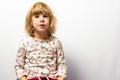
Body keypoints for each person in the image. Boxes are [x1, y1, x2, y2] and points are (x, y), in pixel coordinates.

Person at [14, 2, 67, 80]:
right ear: (30, 22)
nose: (42, 19)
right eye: (37, 16)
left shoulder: (56, 42)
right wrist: (23, 78)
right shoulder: (25, 42)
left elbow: (61, 65)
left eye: (45, 16)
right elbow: (19, 66)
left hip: (51, 78)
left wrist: (60, 78)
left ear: (50, 21)